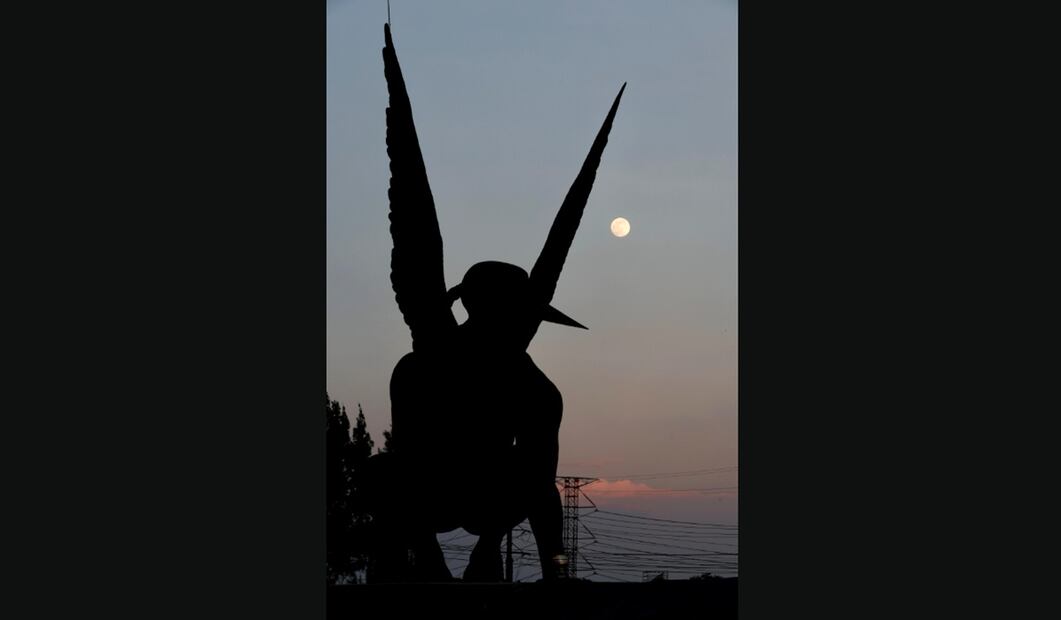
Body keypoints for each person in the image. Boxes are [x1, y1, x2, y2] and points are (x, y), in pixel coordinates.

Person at [374, 23, 623, 582]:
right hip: (433, 489)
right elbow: (409, 455)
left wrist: (501, 547)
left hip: (493, 497)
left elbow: (538, 472)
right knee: (386, 477)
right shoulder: (420, 367)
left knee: (531, 480)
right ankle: (418, 568)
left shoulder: (533, 387)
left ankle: (542, 569)